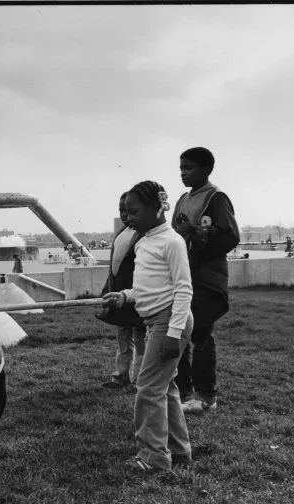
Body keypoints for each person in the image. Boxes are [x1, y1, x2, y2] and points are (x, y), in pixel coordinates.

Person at [102, 181, 194, 473]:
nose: (128, 218)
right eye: (126, 212)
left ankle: (153, 458)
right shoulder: (143, 241)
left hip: (169, 322)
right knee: (164, 388)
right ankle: (180, 452)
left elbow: (183, 290)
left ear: (157, 208)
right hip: (156, 320)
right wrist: (125, 296)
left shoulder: (172, 241)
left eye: (135, 211)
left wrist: (174, 333)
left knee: (148, 388)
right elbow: (147, 287)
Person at [171, 147, 239, 414]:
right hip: (184, 277)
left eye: (188, 168)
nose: (183, 173)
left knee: (200, 335)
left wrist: (200, 243)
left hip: (205, 278)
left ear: (206, 169)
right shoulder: (182, 199)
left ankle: (206, 396)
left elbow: (229, 237)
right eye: (181, 168)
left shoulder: (217, 198)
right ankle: (184, 391)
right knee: (181, 333)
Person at [102, 193, 145, 392]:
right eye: (121, 211)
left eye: (129, 211)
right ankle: (120, 376)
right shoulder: (121, 233)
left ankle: (140, 380)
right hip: (120, 297)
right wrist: (108, 289)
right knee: (123, 340)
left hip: (138, 298)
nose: (125, 216)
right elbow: (114, 267)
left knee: (141, 340)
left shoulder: (145, 235)